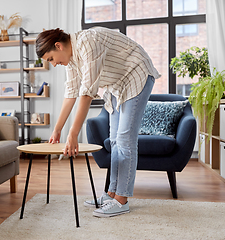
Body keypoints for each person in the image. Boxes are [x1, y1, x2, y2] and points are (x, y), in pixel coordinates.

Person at [36, 27, 160, 218]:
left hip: (136, 73)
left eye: (50, 59)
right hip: (117, 84)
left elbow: (86, 94)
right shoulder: (72, 62)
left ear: (58, 46)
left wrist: (73, 134)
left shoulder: (87, 43)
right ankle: (111, 194)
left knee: (125, 139)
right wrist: (57, 130)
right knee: (115, 140)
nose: (53, 64)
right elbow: (71, 94)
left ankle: (121, 200)